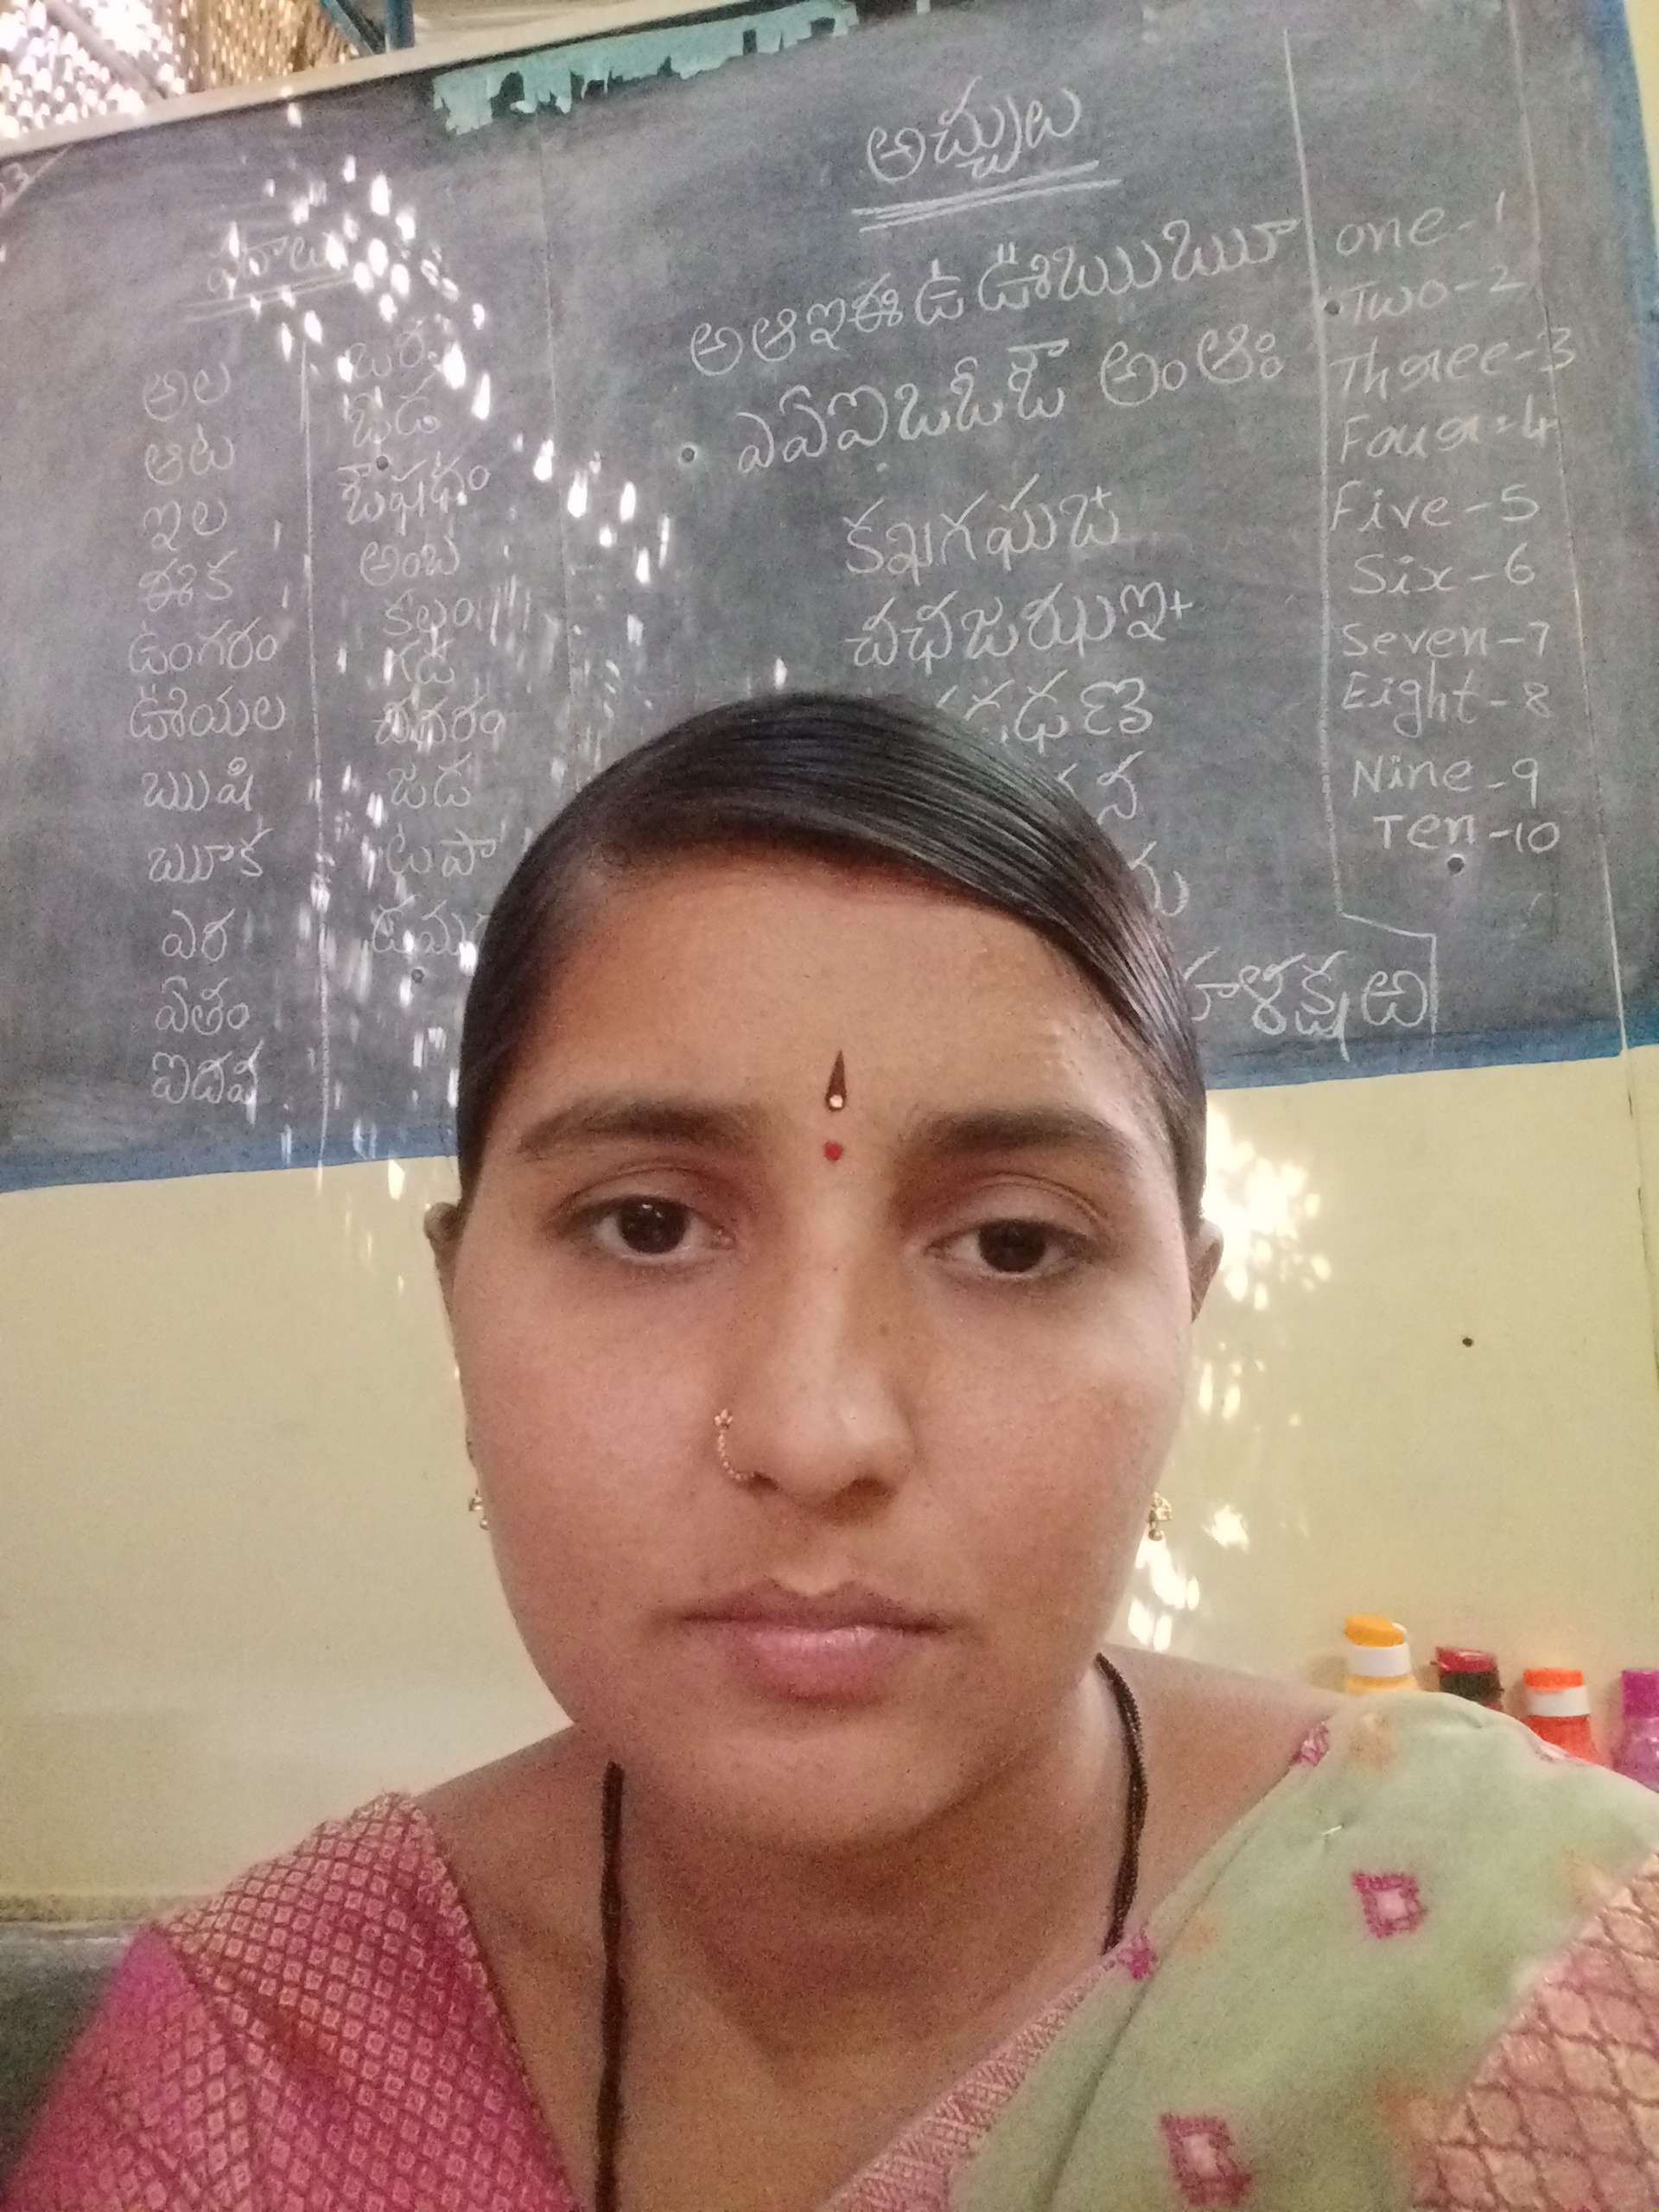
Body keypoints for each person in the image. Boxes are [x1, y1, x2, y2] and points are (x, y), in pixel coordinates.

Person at [11, 694, 1659, 2212]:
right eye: (648, 1224)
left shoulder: (1543, 1982)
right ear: (458, 1308)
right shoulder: (243, 2103)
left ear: (1186, 1322)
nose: (815, 1436)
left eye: (1013, 1244)